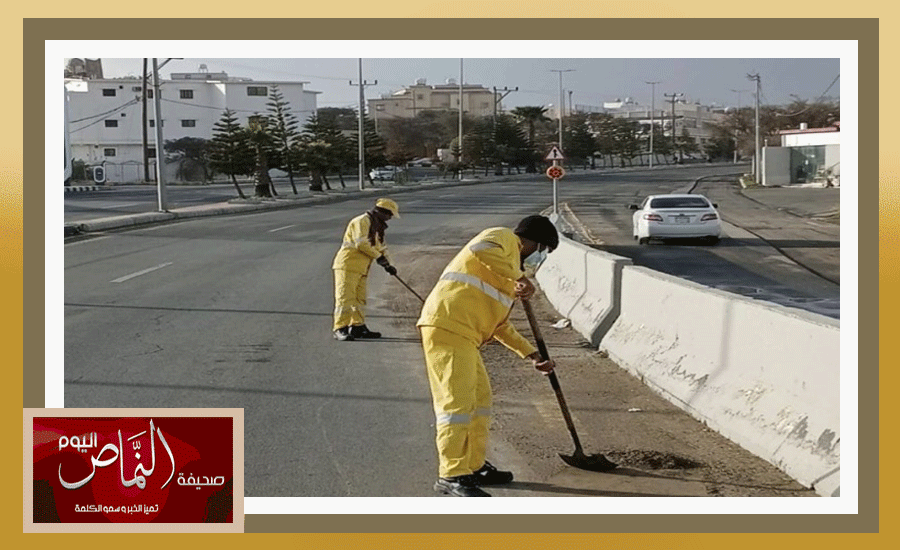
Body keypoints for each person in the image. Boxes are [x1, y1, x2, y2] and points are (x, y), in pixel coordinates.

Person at [416, 215, 559, 497]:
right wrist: (519, 276)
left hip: (467, 336)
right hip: (448, 325)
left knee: (480, 402)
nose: (537, 258)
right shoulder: (504, 237)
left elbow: (500, 327)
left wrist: (531, 354)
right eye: (541, 250)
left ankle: (474, 464)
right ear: (533, 241)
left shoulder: (507, 277)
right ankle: (452, 474)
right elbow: (481, 250)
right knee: (456, 406)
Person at [332, 198, 400, 341]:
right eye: (389, 215)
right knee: (345, 298)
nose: (389, 218)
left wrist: (389, 264)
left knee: (359, 299)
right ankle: (340, 328)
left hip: (362, 267)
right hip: (348, 265)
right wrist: (379, 258)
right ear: (381, 212)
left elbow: (381, 247)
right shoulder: (362, 221)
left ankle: (358, 326)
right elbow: (361, 244)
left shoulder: (377, 227)